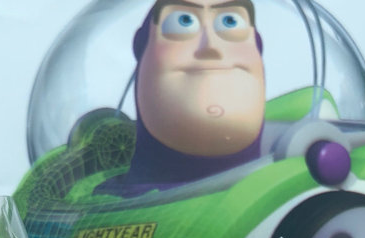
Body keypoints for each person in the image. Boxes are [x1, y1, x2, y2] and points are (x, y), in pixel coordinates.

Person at [100, 0, 265, 192]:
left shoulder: (289, 182)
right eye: (182, 21)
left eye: (231, 21)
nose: (210, 46)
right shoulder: (89, 201)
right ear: (141, 47)